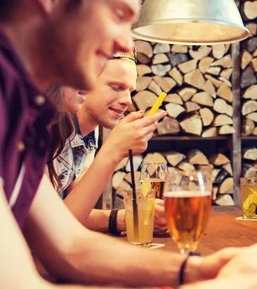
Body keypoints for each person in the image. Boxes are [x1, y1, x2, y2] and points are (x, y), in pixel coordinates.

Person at [0, 0, 257, 289]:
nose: (123, 43)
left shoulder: (22, 106)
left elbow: (69, 246)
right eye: (118, 15)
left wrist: (197, 269)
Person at [47, 52, 167, 235]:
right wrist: (113, 150)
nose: (127, 100)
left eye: (130, 91)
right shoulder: (47, 128)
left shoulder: (90, 131)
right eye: (116, 87)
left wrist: (126, 219)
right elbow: (51, 226)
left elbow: (75, 209)